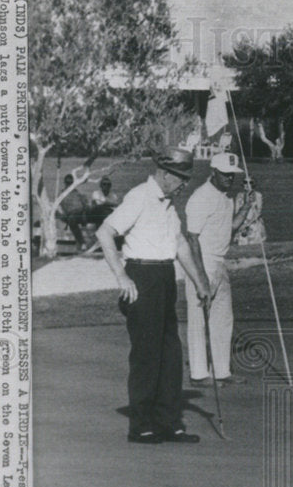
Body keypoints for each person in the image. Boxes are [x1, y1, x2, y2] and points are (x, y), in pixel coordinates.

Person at [94, 149, 212, 444]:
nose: (185, 184)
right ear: (165, 174)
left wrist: (199, 280)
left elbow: (179, 243)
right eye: (182, 178)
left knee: (170, 355)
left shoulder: (170, 205)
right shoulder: (139, 197)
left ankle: (168, 422)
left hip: (164, 278)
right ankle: (142, 425)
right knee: (147, 356)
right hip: (142, 277)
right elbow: (104, 232)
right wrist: (122, 275)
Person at [183, 151, 254, 387]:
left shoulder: (225, 198)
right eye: (225, 175)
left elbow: (229, 229)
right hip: (202, 262)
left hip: (220, 263)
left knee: (223, 319)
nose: (230, 179)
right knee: (198, 320)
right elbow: (192, 238)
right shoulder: (201, 197)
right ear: (213, 172)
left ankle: (222, 371)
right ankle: (199, 374)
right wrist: (200, 276)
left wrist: (245, 209)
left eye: (232, 175)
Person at [57, 173, 90, 250]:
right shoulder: (62, 193)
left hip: (81, 213)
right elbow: (59, 206)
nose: (69, 185)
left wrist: (85, 204)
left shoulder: (77, 193)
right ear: (65, 183)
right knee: (71, 220)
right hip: (70, 214)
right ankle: (82, 242)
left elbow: (85, 204)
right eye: (68, 183)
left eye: (71, 183)